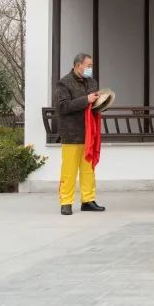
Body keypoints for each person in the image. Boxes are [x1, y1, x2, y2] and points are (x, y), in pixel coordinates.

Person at [54, 52, 105, 215]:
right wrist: (86, 99)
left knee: (88, 169)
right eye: (88, 66)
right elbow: (63, 107)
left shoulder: (92, 82)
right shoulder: (64, 83)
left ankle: (88, 200)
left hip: (89, 133)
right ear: (78, 65)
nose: (90, 69)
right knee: (69, 170)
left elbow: (94, 105)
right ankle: (66, 202)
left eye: (91, 66)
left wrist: (102, 101)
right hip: (71, 133)